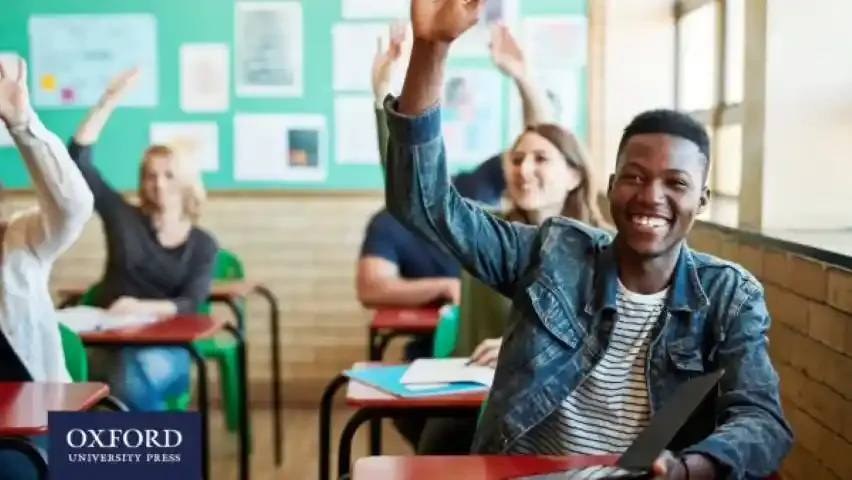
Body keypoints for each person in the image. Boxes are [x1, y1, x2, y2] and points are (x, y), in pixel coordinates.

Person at [381, 1, 793, 479]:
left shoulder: (729, 296)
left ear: (701, 200)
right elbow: (424, 204)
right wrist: (431, 48)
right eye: (635, 177)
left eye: (675, 184)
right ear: (612, 186)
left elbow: (762, 421)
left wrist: (687, 468)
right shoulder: (551, 252)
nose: (651, 197)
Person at [417, 23, 612, 456]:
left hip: (566, 411)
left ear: (575, 174)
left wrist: (524, 79)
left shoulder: (604, 249)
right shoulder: (490, 235)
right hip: (474, 402)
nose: (524, 169)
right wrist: (387, 105)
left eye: (540, 160)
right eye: (516, 159)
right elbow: (420, 192)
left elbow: (612, 342)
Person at [67, 68, 217, 412]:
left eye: (168, 175)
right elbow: (78, 160)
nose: (159, 184)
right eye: (150, 176)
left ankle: (138, 449)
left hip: (167, 350)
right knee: (77, 371)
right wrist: (108, 100)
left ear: (186, 181)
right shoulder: (124, 218)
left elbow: (191, 302)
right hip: (109, 339)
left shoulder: (203, 244)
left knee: (129, 378)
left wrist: (140, 307)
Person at [0, 56, 94, 480]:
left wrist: (22, 124)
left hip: (41, 430)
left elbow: (74, 206)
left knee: (163, 451)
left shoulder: (20, 242)